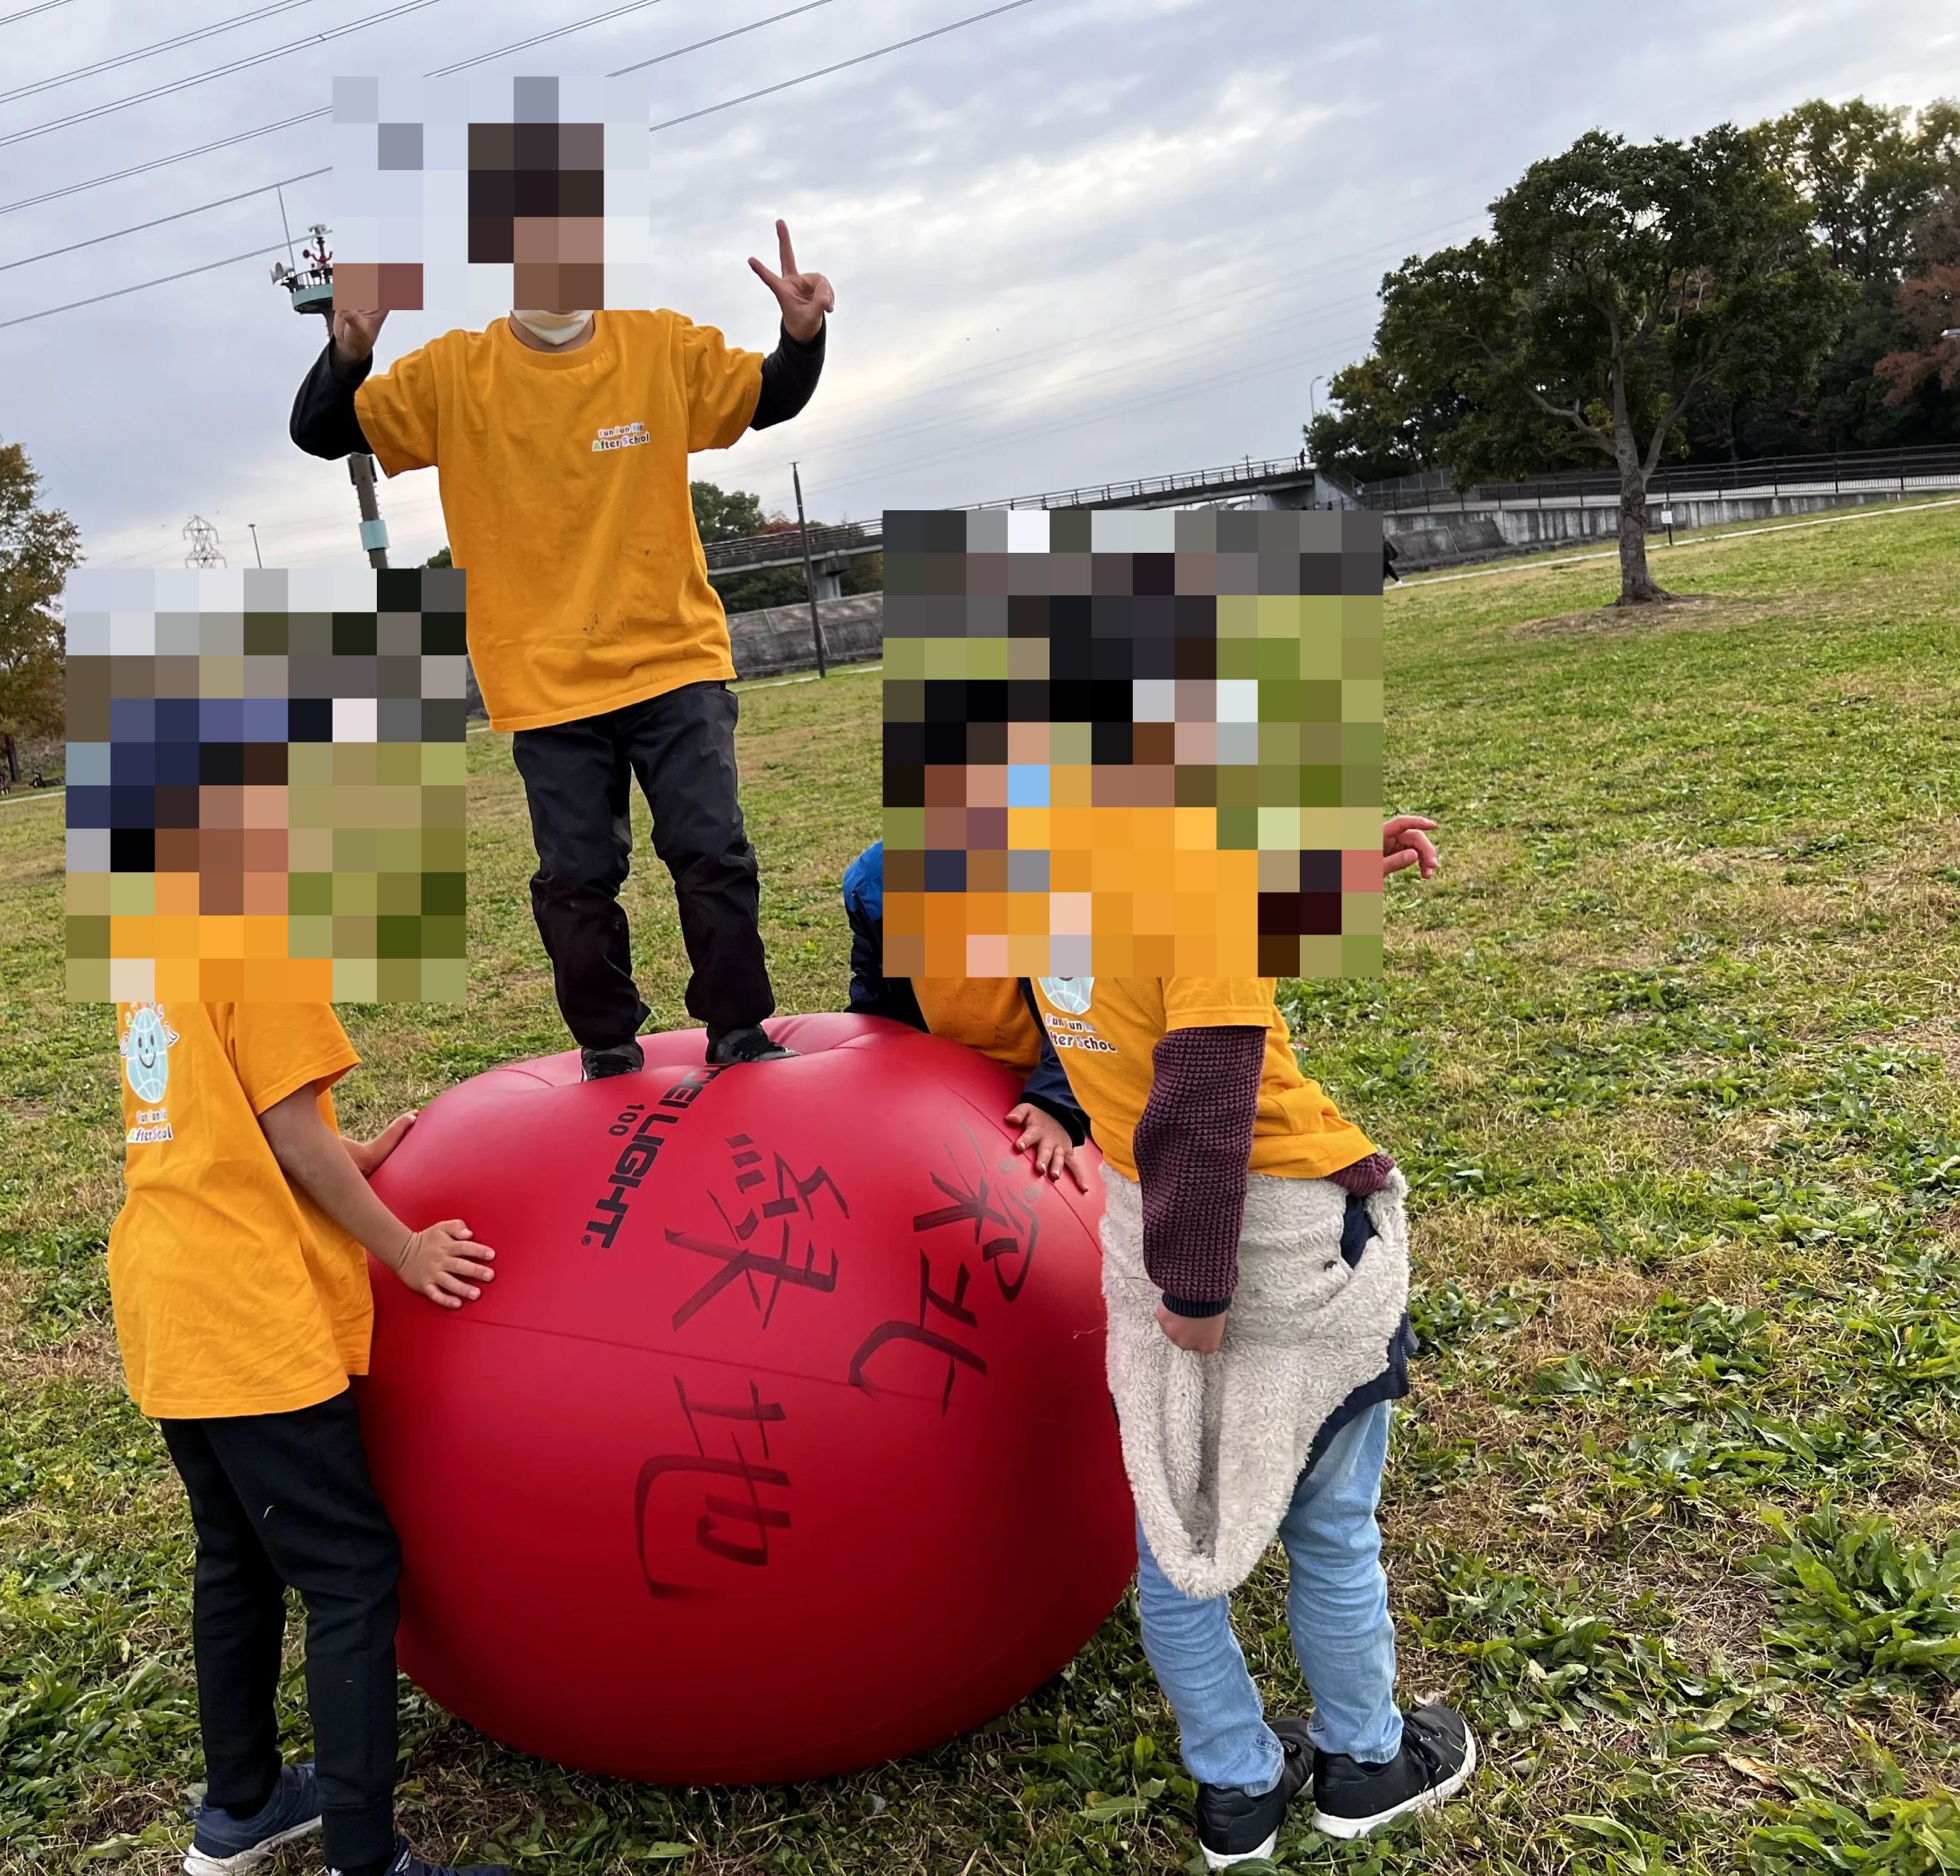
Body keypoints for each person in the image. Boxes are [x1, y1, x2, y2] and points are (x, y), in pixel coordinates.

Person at [293, 220, 834, 1081]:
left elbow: (768, 396)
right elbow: (322, 432)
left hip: (673, 656)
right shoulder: (455, 372)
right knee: (577, 875)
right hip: (544, 679)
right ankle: (607, 1045)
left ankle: (738, 1029)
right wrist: (349, 352)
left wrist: (801, 337)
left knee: (711, 848)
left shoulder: (657, 346)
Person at [1040, 815, 1473, 1870]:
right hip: (1269, 1245)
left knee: (1174, 1531)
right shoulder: (1195, 875)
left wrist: (1325, 877)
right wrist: (1200, 1286)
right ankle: (1367, 1763)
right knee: (1331, 1524)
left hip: (1140, 1225)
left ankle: (1237, 1787)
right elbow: (1206, 1083)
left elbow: (1159, 965)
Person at [105, 998, 509, 1876]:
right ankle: (364, 1860)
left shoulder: (153, 941)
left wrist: (344, 1154)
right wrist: (405, 1249)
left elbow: (219, 1112)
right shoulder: (260, 943)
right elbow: (287, 1132)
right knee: (348, 1574)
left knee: (236, 1554)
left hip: (167, 1288)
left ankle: (244, 1803)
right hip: (246, 1304)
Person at [838, 838, 1090, 1188]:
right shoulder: (877, 888)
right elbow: (876, 998)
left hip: (1057, 1083)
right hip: (954, 1091)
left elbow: (1086, 1015)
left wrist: (1057, 1107)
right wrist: (860, 1060)